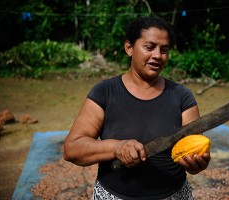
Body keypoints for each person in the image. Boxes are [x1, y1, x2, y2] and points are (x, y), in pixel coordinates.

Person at [63, 15, 211, 200]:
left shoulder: (182, 95)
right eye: (150, 47)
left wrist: (198, 163)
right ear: (129, 48)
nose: (157, 55)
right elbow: (72, 149)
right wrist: (117, 148)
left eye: (164, 50)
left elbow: (195, 147)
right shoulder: (105, 92)